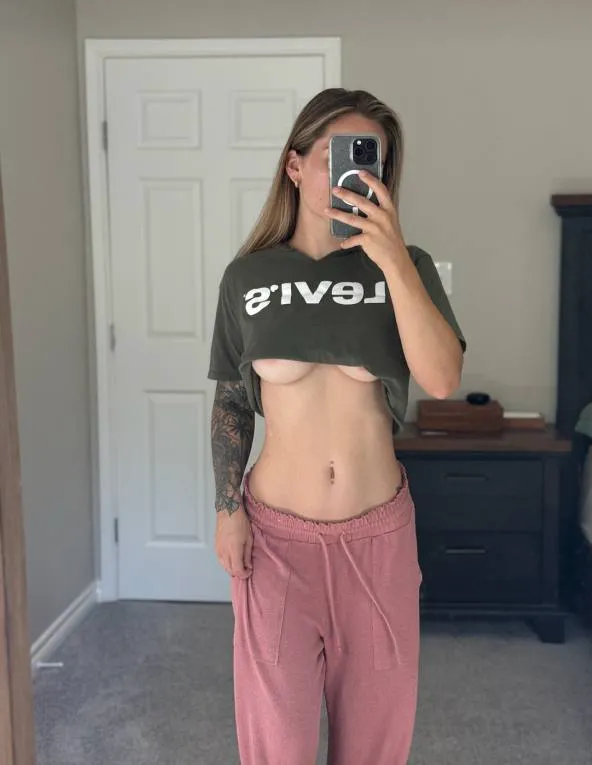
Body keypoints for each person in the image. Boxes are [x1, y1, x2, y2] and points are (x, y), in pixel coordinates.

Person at [208, 88, 466, 765]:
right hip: (276, 540)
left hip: (377, 539)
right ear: (294, 166)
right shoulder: (247, 278)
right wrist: (227, 509)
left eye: (369, 160)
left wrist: (394, 258)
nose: (353, 175)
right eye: (336, 156)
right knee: (276, 742)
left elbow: (442, 378)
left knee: (376, 742)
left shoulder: (406, 267)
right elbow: (232, 400)